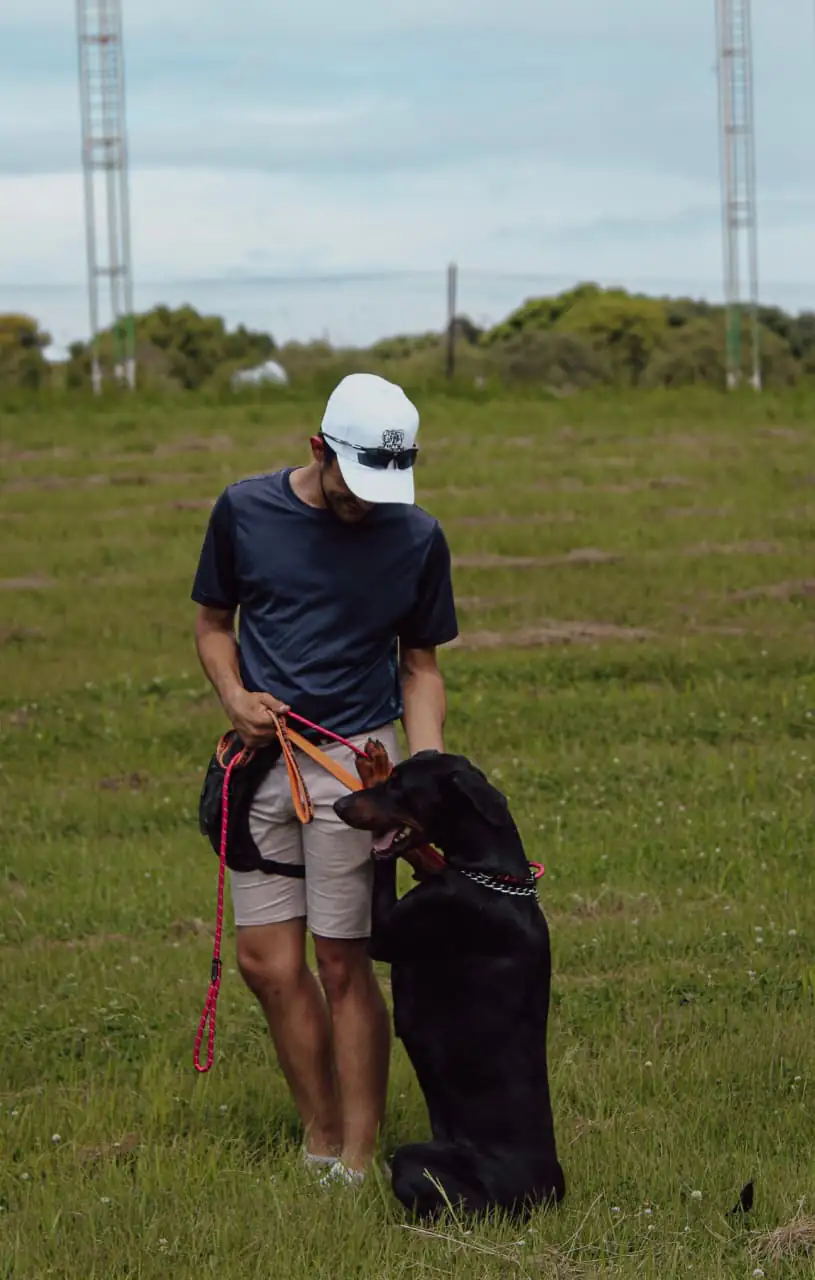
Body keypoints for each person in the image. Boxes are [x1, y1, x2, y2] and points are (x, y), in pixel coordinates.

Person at [190, 372, 459, 1185]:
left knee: (342, 964)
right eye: (354, 486)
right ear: (317, 449)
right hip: (262, 761)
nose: (368, 504)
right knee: (267, 965)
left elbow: (420, 667)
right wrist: (234, 696)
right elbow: (212, 623)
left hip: (355, 769)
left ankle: (358, 1157)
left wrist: (422, 777)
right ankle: (319, 1135)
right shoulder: (244, 510)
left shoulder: (415, 535)